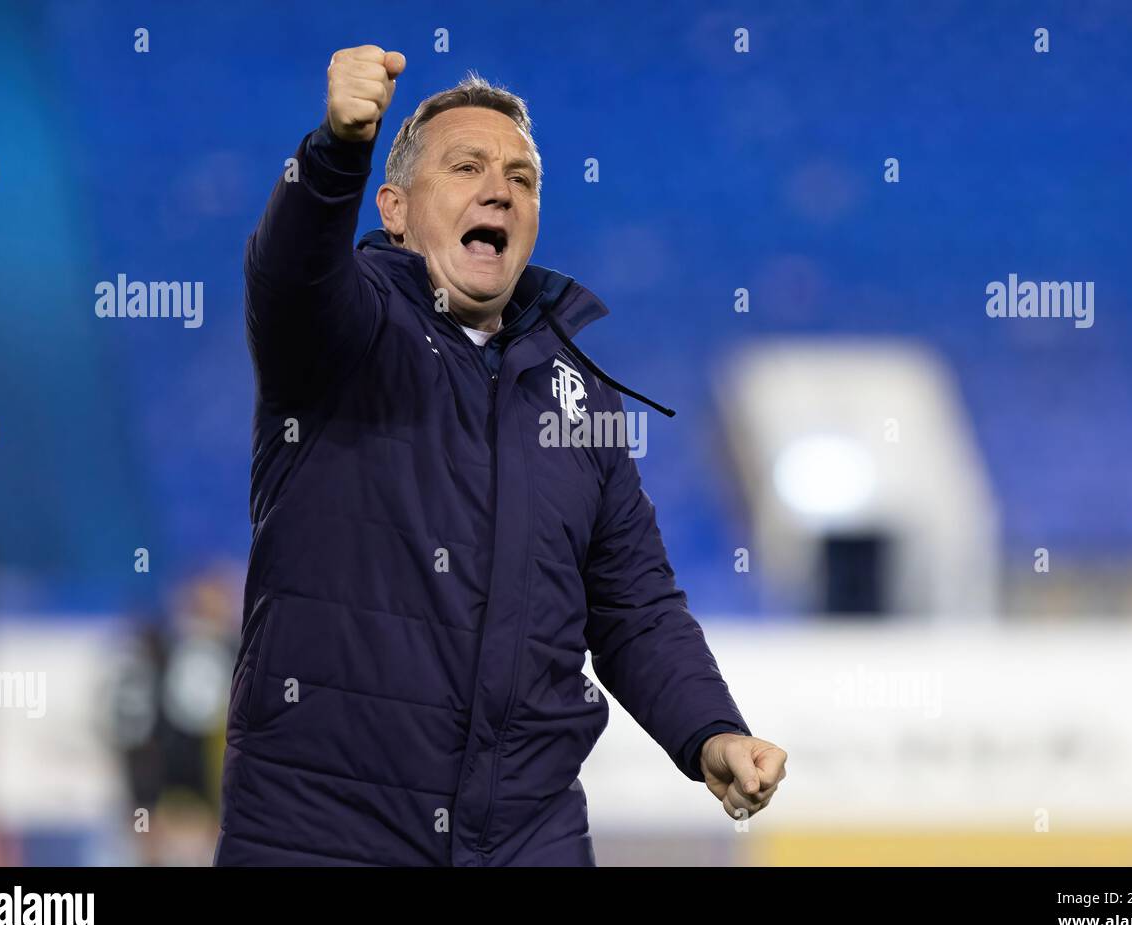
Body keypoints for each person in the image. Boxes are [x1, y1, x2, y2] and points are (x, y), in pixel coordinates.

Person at [214, 44, 787, 866]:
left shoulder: (580, 394)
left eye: (522, 179)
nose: (500, 190)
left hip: (527, 838)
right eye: (468, 167)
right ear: (395, 208)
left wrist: (711, 731)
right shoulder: (341, 334)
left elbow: (632, 604)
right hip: (323, 836)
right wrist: (335, 149)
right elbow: (288, 273)